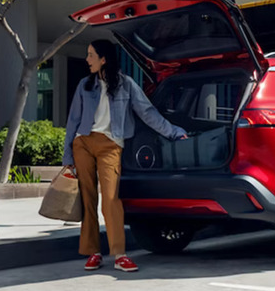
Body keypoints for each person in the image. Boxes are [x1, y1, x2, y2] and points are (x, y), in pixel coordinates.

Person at [63, 39, 187, 272]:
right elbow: (73, 121)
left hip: (111, 145)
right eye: (87, 55)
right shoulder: (84, 85)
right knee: (88, 199)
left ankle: (119, 254)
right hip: (84, 143)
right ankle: (93, 252)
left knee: (111, 200)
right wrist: (67, 157)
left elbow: (148, 113)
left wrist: (173, 132)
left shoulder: (126, 85)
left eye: (91, 55)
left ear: (104, 59)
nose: (87, 59)